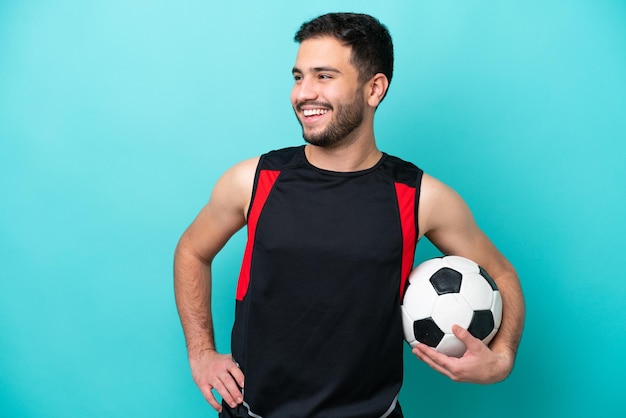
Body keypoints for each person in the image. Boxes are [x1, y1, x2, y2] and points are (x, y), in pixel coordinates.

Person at [174, 12, 525, 418]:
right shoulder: (253, 181)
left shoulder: (420, 196)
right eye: (298, 76)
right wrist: (201, 353)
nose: (304, 93)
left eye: (324, 76)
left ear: (374, 89)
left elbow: (502, 275)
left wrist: (501, 360)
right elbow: (191, 251)